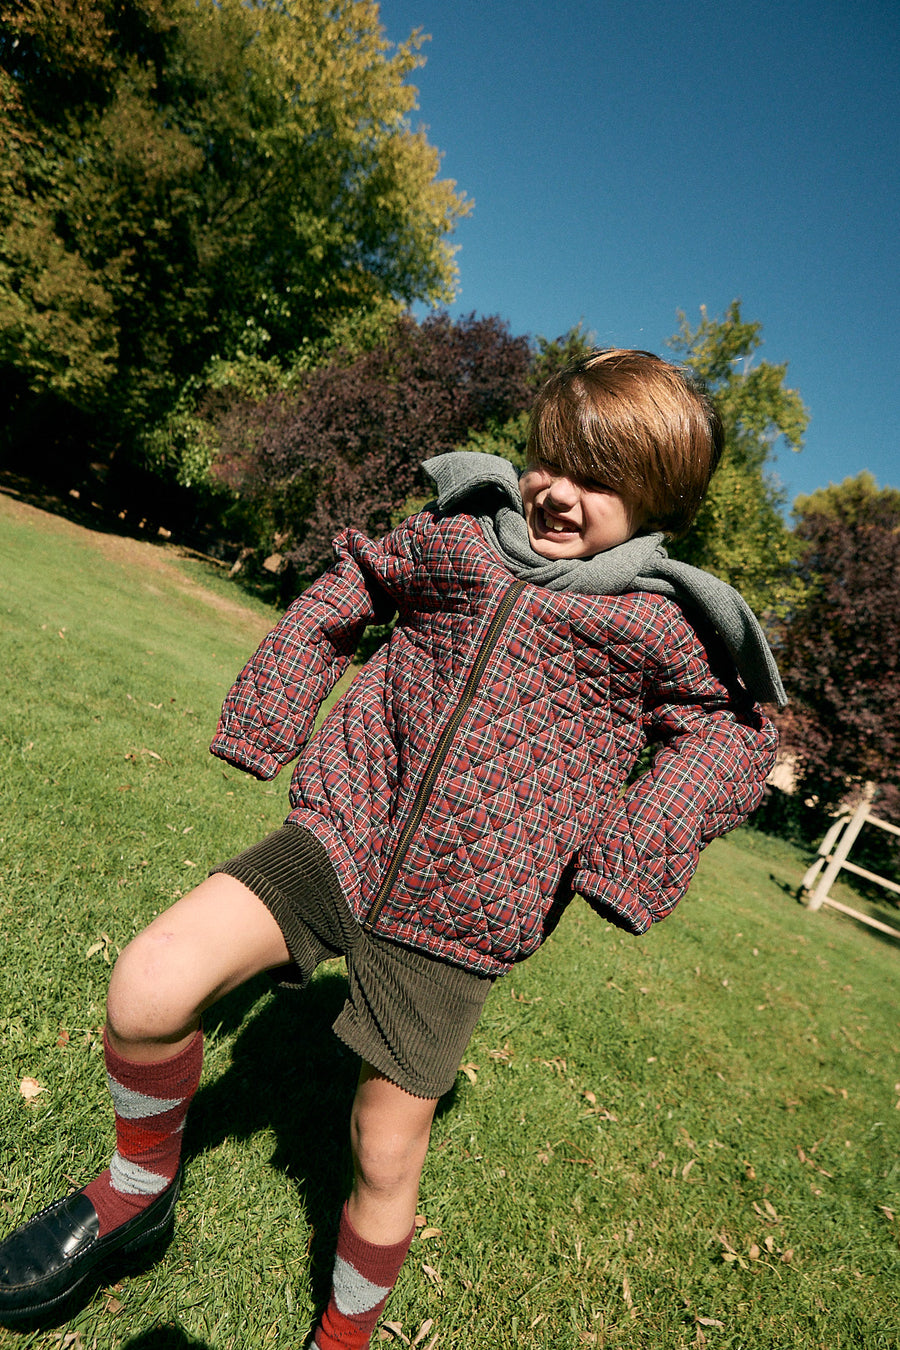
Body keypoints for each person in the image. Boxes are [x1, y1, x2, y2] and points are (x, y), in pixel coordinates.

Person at [0, 349, 783, 1344]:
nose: (557, 491)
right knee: (149, 984)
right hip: (344, 828)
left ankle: (346, 1334)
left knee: (383, 1151)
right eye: (551, 459)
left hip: (465, 911)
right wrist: (274, 705)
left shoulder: (662, 624)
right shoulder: (461, 536)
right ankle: (134, 1192)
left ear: (658, 499)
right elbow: (356, 583)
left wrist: (640, 843)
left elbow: (734, 735)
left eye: (598, 480)